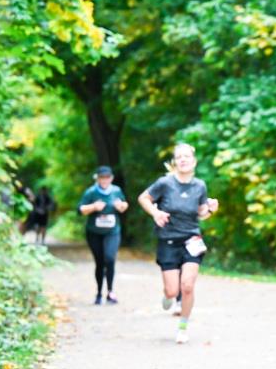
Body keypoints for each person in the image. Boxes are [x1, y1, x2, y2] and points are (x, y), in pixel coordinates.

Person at [138, 143, 219, 344]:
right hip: (168, 240)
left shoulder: (199, 185)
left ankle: (183, 327)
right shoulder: (165, 183)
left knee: (188, 286)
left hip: (192, 239)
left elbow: (200, 213)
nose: (183, 160)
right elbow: (144, 198)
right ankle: (168, 297)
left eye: (187, 156)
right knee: (173, 291)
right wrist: (156, 212)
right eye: (179, 157)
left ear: (194, 161)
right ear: (175, 162)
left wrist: (210, 209)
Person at [78, 166, 129, 305]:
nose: (104, 180)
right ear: (98, 178)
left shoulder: (116, 190)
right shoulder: (91, 192)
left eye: (107, 177)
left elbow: (124, 205)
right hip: (94, 233)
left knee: (110, 258)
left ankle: (111, 292)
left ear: (111, 178)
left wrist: (121, 206)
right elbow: (81, 209)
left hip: (112, 232)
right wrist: (93, 207)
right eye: (102, 177)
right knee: (100, 262)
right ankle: (99, 293)